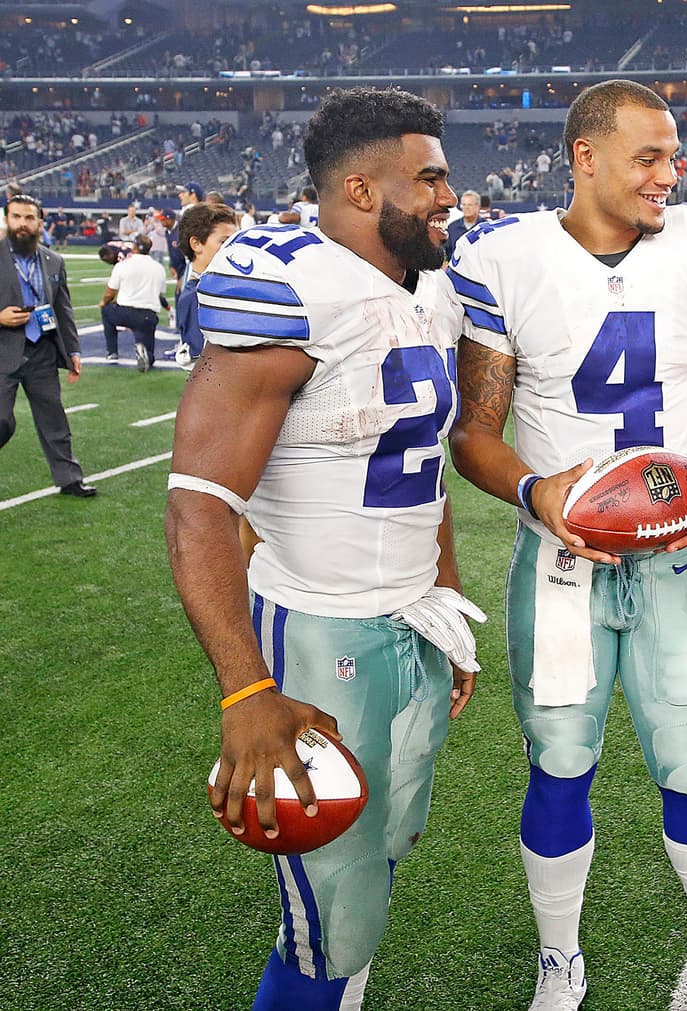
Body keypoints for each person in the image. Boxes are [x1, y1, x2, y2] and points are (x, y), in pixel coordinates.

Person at [448, 79, 687, 1011]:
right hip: (559, 566)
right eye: (649, 156)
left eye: (676, 156)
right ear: (585, 156)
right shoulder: (507, 257)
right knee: (558, 760)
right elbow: (476, 431)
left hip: (676, 554)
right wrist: (538, 490)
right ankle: (561, 957)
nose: (671, 175)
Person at [164, 86, 478, 1011]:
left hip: (407, 616)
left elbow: (420, 466)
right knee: (329, 912)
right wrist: (248, 686)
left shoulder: (430, 288)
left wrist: (444, 593)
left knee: (379, 855)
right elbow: (199, 504)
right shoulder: (290, 285)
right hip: (315, 625)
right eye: (427, 179)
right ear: (357, 187)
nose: (447, 197)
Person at [0, 194, 95, 497]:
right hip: (3, 351)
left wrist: (74, 351)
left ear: (40, 223)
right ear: (7, 220)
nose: (23, 224)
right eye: (17, 217)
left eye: (29, 218)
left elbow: (63, 310)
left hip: (41, 349)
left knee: (54, 418)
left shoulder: (54, 260)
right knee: (2, 420)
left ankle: (69, 479)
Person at [173, 200, 237, 367]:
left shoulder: (222, 286)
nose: (234, 248)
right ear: (196, 244)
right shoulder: (196, 296)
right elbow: (203, 365)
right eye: (224, 242)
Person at [99, 233, 169, 371]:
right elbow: (160, 293)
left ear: (135, 247)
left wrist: (103, 302)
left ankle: (112, 352)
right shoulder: (159, 268)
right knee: (149, 354)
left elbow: (110, 292)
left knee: (106, 311)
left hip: (124, 313)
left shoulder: (123, 265)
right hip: (148, 316)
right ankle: (146, 353)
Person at [444, 188, 481, 260]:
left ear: (478, 206)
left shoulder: (485, 227)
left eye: (470, 205)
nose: (466, 208)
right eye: (464, 205)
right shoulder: (452, 227)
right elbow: (446, 251)